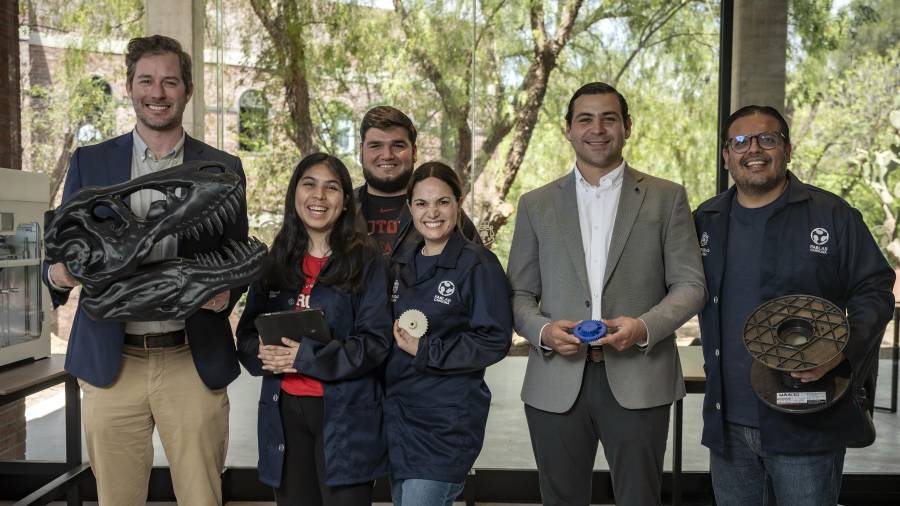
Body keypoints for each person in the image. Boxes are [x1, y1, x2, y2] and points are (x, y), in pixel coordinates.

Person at [42, 35, 246, 506]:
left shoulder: (223, 167)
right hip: (112, 361)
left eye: (170, 81)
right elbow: (59, 253)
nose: (157, 92)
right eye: (146, 80)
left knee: (202, 498)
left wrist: (226, 293)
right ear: (130, 87)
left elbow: (237, 258)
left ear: (187, 90)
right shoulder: (90, 163)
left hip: (191, 360)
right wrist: (60, 276)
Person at [506, 81, 707, 506]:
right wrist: (542, 331)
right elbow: (519, 294)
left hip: (640, 377)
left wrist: (644, 326)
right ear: (568, 129)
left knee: (639, 498)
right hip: (555, 382)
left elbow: (691, 285)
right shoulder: (535, 204)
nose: (597, 129)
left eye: (609, 118)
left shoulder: (666, 197)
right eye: (585, 119)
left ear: (627, 126)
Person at [693, 105, 895, 505]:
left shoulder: (832, 214)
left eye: (767, 139)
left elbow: (875, 289)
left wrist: (839, 353)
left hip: (807, 417)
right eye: (740, 141)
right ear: (726, 155)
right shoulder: (706, 219)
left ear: (787, 149)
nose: (754, 149)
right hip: (728, 421)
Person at [236, 153, 392, 505]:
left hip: (344, 415)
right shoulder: (274, 260)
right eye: (309, 184)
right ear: (295, 194)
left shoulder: (367, 261)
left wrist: (304, 357)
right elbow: (246, 335)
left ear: (345, 200)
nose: (319, 196)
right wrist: (261, 351)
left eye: (331, 188)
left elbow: (375, 343)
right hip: (284, 412)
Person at [385, 162, 512, 505]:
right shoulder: (400, 265)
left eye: (442, 202)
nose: (432, 213)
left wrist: (427, 350)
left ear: (458, 202)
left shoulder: (479, 265)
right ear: (410, 207)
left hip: (445, 423)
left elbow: (494, 340)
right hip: (399, 418)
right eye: (422, 204)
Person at [356, 105, 481, 257]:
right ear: (361, 152)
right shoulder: (341, 210)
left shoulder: (446, 213)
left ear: (414, 152)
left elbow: (478, 270)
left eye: (397, 146)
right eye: (375, 146)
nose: (387, 155)